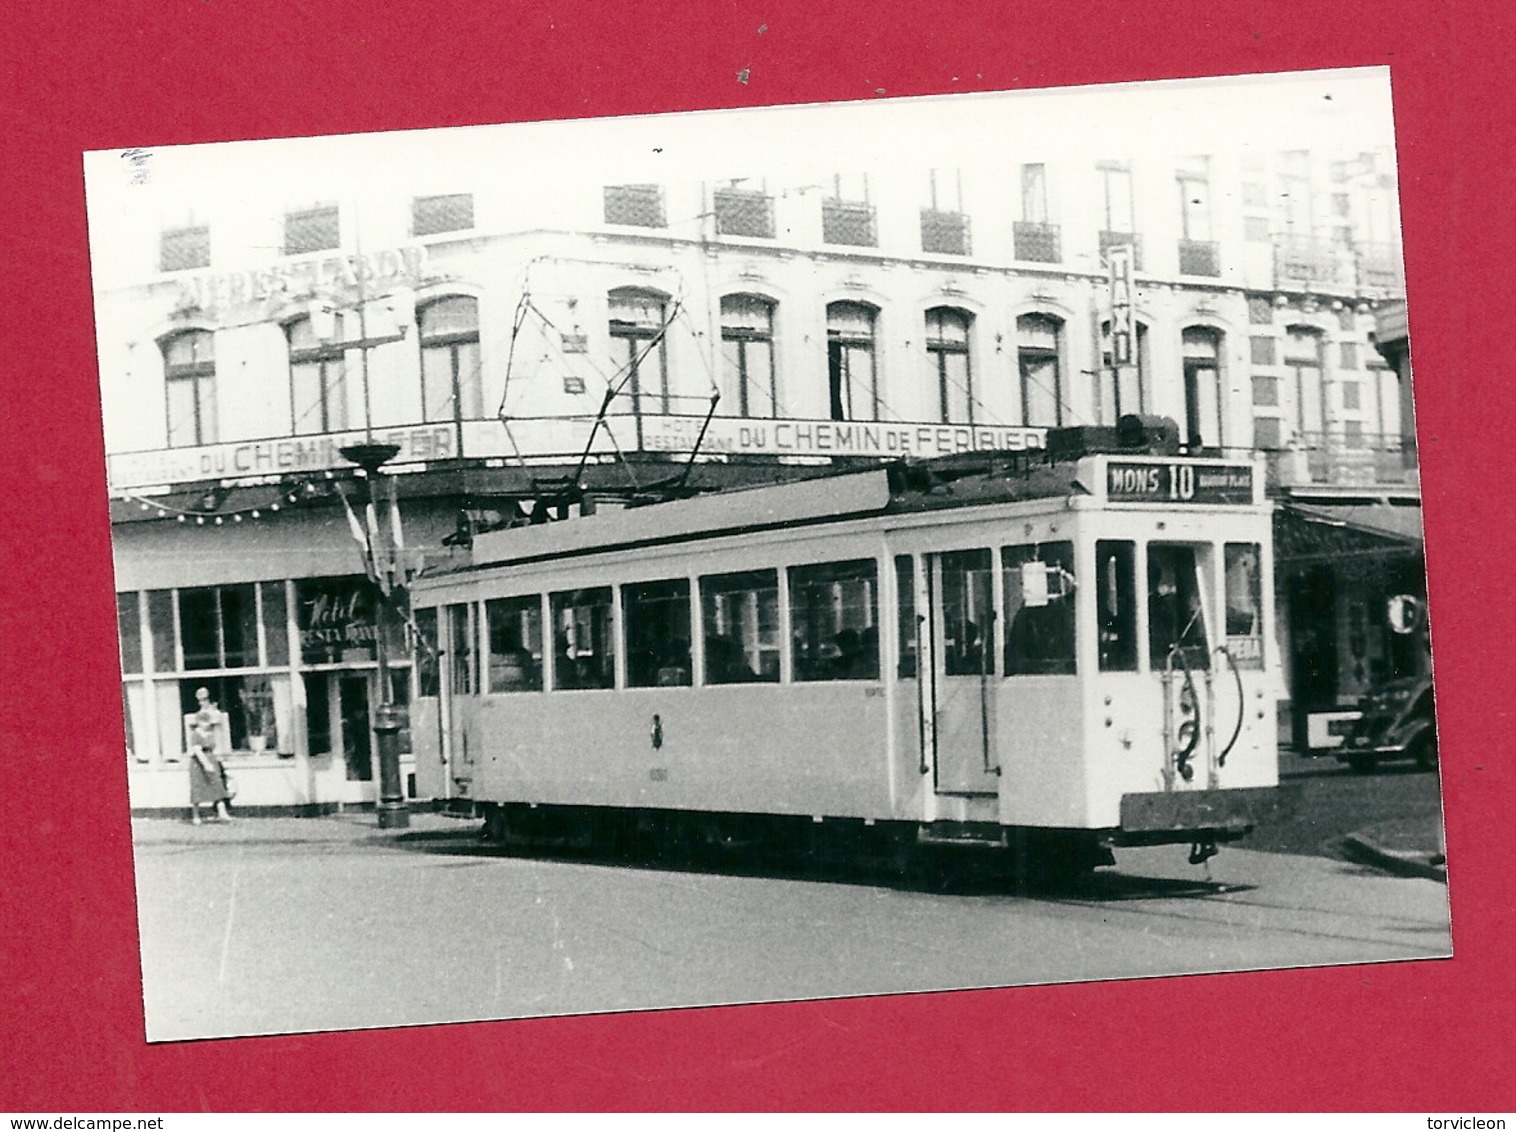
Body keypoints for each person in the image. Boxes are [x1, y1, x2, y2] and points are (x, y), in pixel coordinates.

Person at [187, 687, 233, 825]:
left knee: (217, 784)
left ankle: (222, 812)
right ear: (199, 722)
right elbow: (197, 750)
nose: (207, 725)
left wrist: (215, 759)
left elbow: (214, 744)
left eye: (207, 722)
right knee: (198, 788)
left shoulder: (210, 732)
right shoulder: (196, 734)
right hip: (199, 763)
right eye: (204, 722)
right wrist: (206, 764)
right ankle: (195, 815)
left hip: (210, 758)